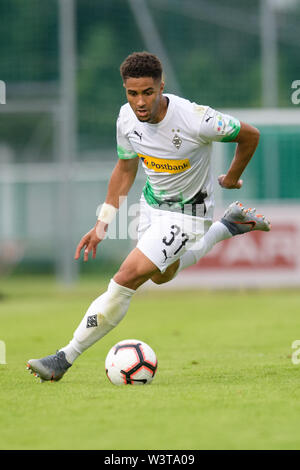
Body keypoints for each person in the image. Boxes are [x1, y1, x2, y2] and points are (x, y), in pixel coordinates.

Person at [27, 51, 270, 382]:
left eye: (147, 93)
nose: (139, 102)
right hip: (151, 207)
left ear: (161, 87)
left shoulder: (197, 119)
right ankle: (229, 226)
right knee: (161, 275)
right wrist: (103, 223)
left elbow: (250, 134)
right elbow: (125, 169)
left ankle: (63, 358)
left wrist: (230, 177)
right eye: (132, 93)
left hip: (188, 215)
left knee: (126, 277)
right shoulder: (126, 118)